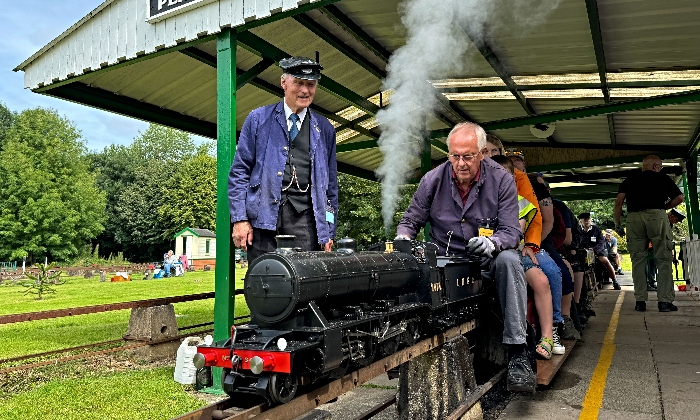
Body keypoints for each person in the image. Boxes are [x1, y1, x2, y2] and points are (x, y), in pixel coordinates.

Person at [396, 122, 535, 392]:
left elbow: (511, 231)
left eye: (468, 156)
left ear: (482, 153)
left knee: (510, 261)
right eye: (455, 156)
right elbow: (410, 220)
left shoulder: (502, 179)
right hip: (445, 263)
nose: (461, 163)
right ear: (448, 154)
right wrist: (403, 237)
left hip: (485, 260)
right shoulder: (432, 180)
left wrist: (492, 242)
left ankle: (519, 355)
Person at [228, 57, 338, 263]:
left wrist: (329, 230)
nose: (305, 90)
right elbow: (239, 172)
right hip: (262, 219)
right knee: (263, 282)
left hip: (306, 223)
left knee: (305, 287)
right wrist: (240, 219)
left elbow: (330, 188)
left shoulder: (325, 129)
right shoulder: (258, 119)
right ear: (284, 83)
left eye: (311, 85)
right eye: (299, 83)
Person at [491, 155, 563, 358]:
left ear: (514, 179)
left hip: (513, 252)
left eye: (506, 177)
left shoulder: (520, 203)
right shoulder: (479, 200)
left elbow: (514, 235)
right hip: (486, 256)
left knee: (541, 280)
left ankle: (548, 335)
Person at [614, 155, 684, 312]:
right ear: (655, 166)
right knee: (663, 259)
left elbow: (619, 202)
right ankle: (664, 302)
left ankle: (640, 301)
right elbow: (679, 198)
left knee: (638, 260)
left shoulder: (629, 179)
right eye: (660, 166)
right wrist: (664, 207)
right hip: (656, 216)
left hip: (634, 218)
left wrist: (618, 223)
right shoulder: (663, 179)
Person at [579, 213, 620, 290]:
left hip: (598, 250)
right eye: (585, 219)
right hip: (584, 251)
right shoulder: (578, 230)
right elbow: (576, 241)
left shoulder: (596, 229)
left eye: (588, 219)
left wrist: (594, 250)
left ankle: (615, 281)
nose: (587, 221)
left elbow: (601, 242)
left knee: (605, 261)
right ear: (581, 221)